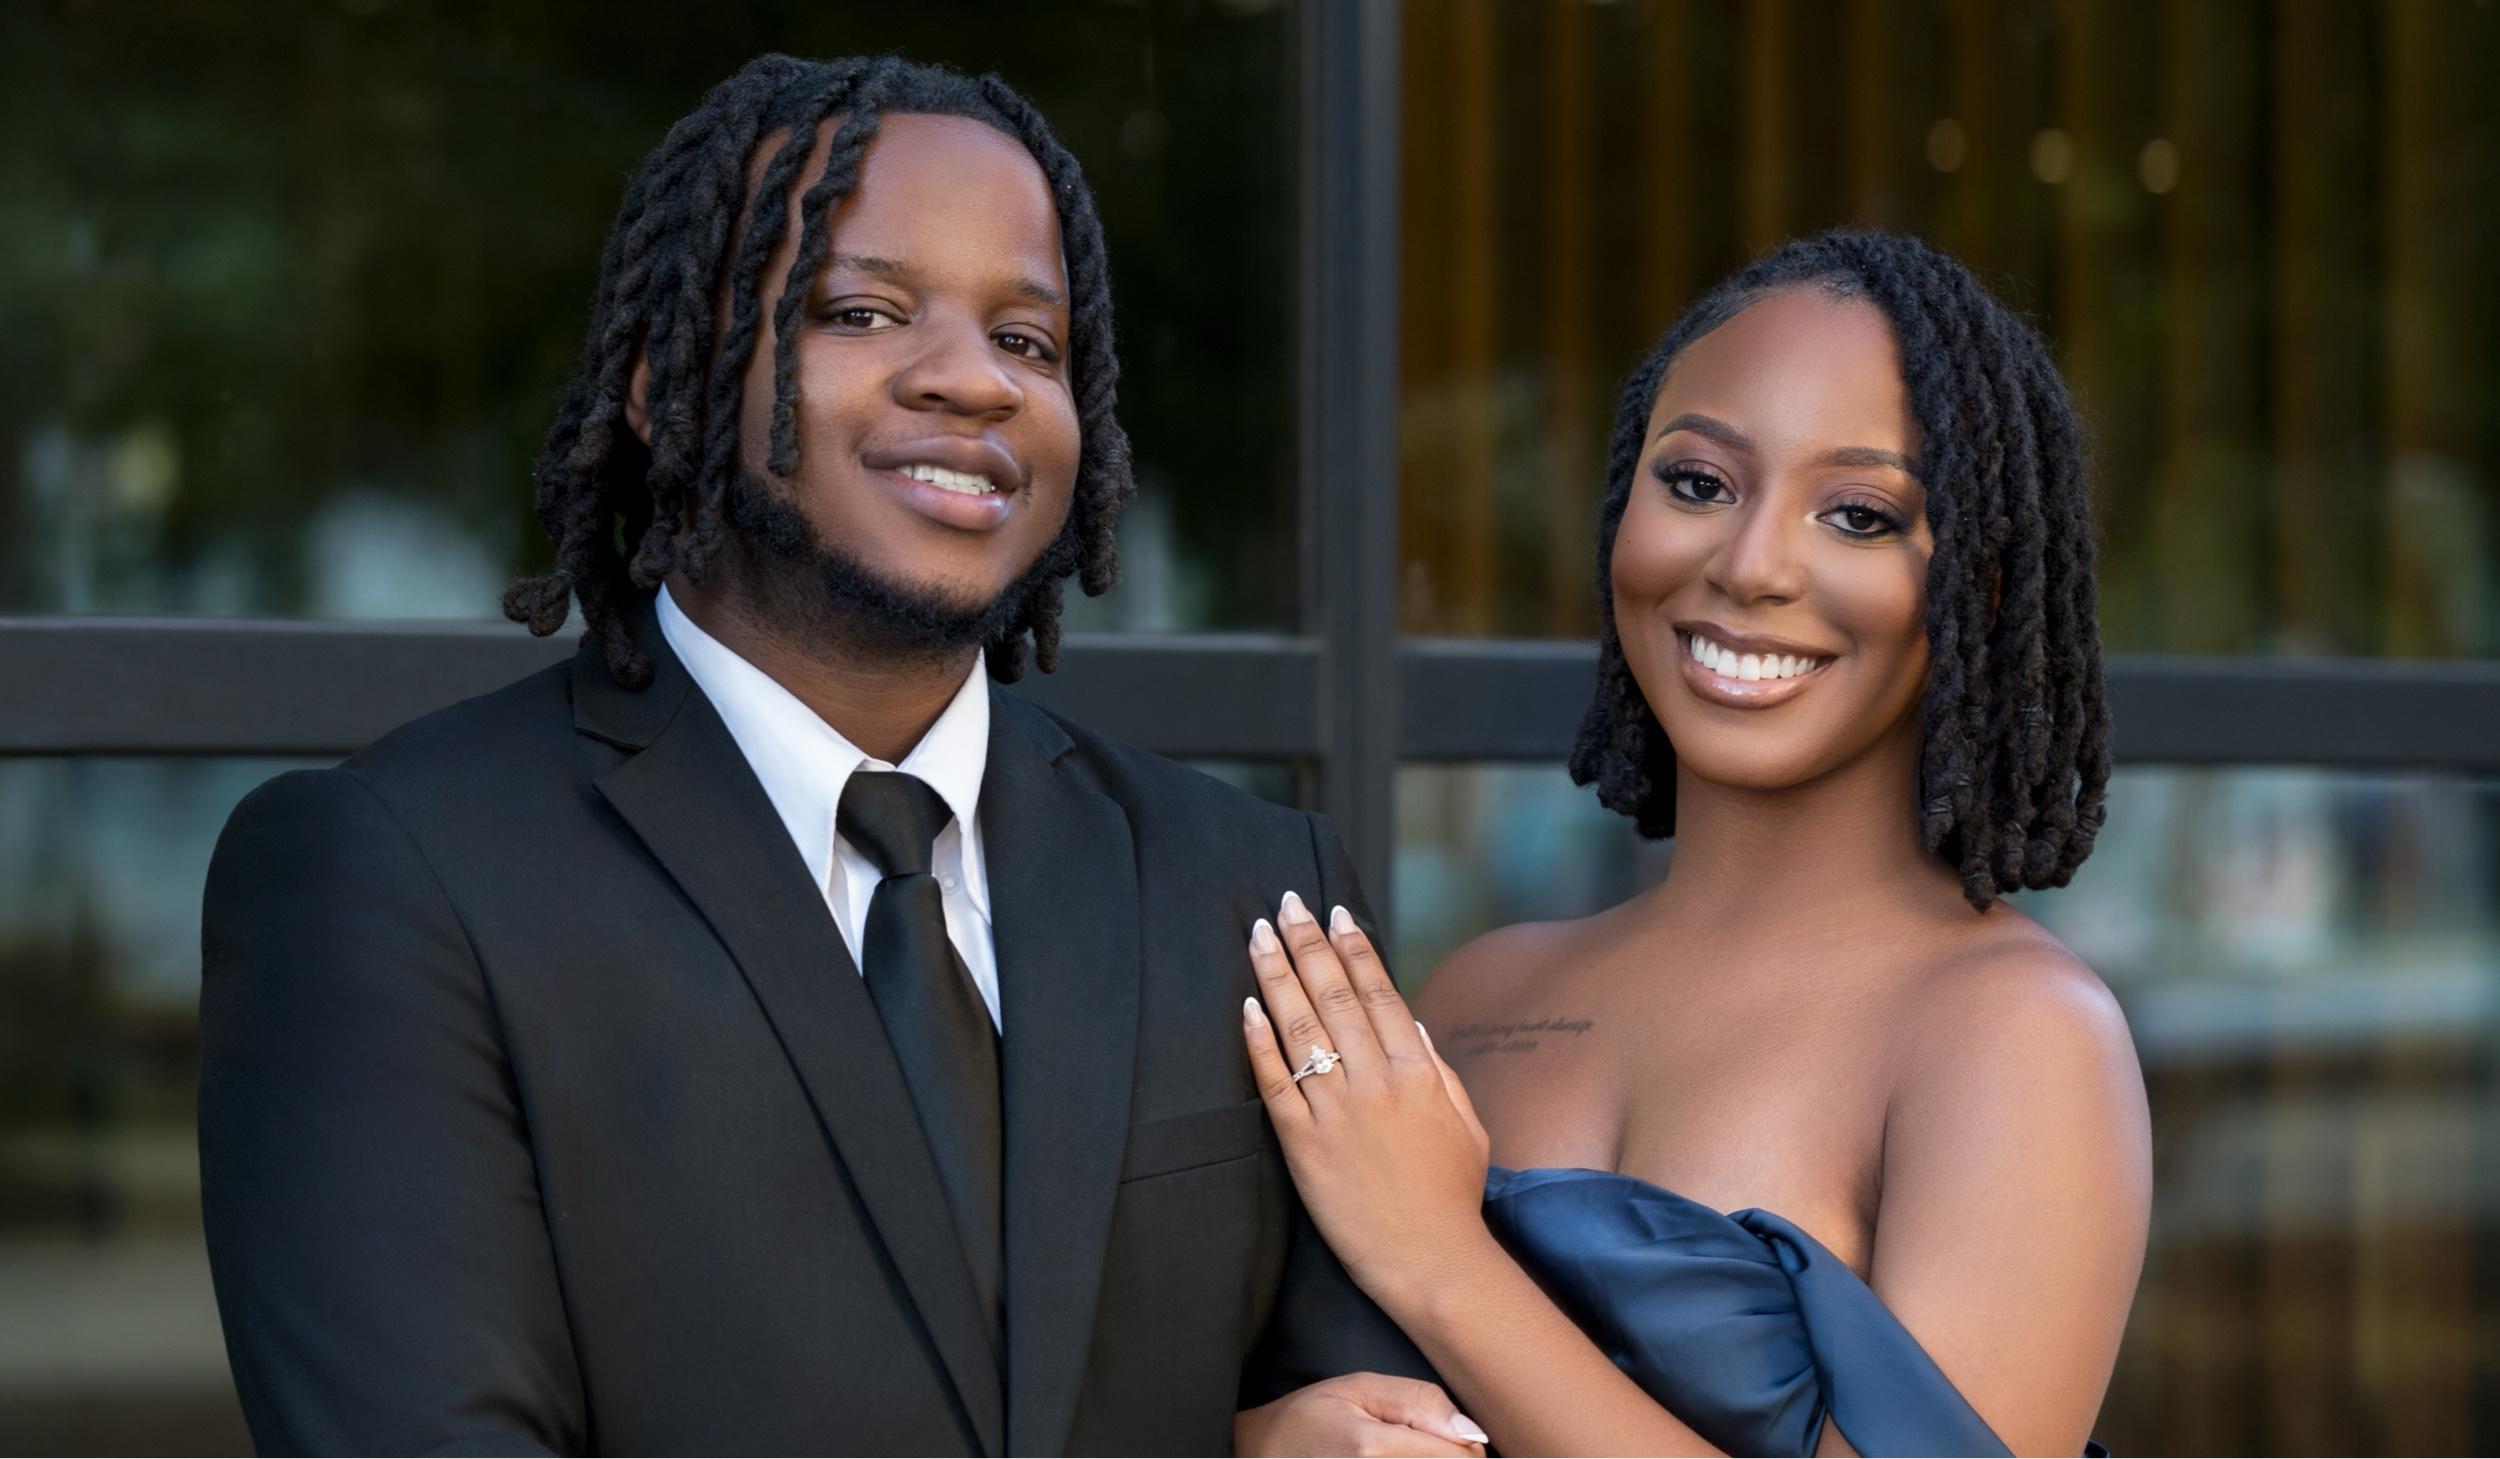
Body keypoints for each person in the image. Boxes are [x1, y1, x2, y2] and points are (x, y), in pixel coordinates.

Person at [198, 54, 1479, 1457]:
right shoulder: (395, 877)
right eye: (860, 311)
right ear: (665, 381)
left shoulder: (1251, 889)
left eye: (1029, 340)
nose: (972, 379)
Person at [1237, 231, 2152, 1457]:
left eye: (1858, 514)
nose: (1750, 564)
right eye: (1700, 484)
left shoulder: (2017, 1033)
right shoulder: (1479, 993)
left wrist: (1442, 1260)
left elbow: (1432, 1272)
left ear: (1980, 590)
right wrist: (1268, 1439)